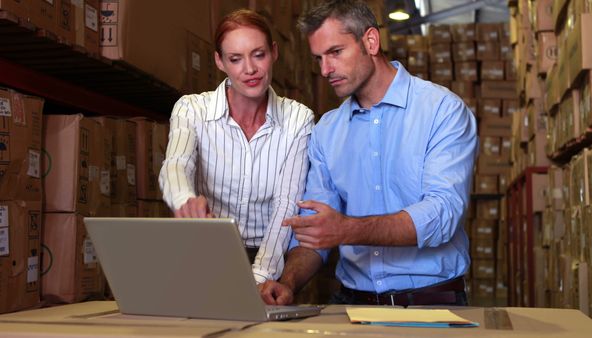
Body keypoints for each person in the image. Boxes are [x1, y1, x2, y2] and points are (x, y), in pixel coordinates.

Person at [259, 0, 478, 307]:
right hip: (352, 304)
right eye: (318, 58)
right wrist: (288, 283)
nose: (325, 70)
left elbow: (442, 213)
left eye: (335, 52)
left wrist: (346, 229)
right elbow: (315, 231)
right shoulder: (327, 131)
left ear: (371, 41)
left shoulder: (442, 111)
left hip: (432, 304)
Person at [159, 9, 314, 284]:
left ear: (274, 52)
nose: (249, 69)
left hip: (267, 258)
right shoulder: (192, 109)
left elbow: (286, 206)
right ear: (220, 61)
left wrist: (261, 277)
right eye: (235, 59)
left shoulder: (299, 119)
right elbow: (176, 164)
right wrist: (185, 202)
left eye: (259, 54)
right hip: (204, 253)